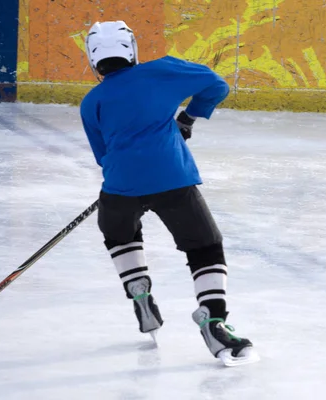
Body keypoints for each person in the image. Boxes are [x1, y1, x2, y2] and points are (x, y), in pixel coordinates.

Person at [79, 20, 257, 365]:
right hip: (172, 181)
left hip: (118, 190)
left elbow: (104, 156)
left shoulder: (92, 102)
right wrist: (187, 118)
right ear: (132, 49)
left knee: (121, 237)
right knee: (205, 247)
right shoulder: (163, 70)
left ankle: (138, 292)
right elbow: (217, 86)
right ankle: (215, 321)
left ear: (93, 59)